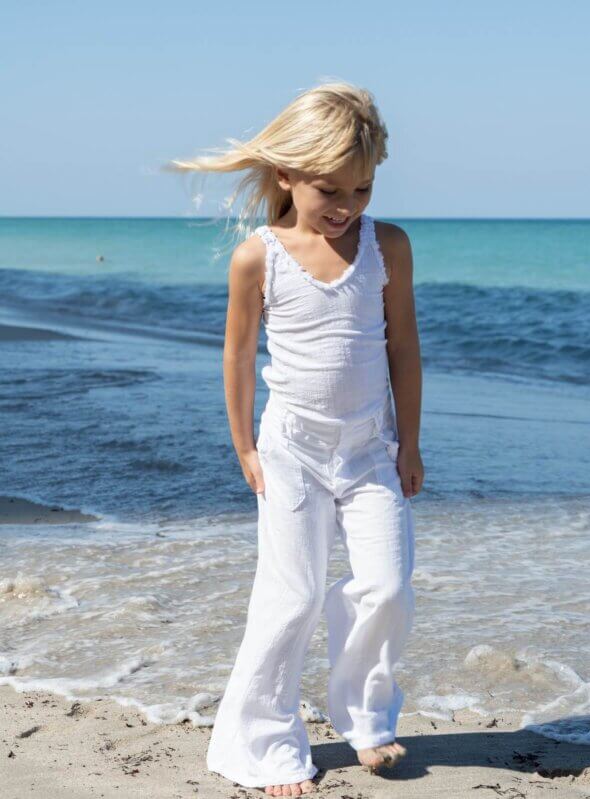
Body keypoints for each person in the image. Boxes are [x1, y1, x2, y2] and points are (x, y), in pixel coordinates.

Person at [171, 80, 424, 797]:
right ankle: (265, 744)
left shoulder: (389, 247)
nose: (347, 206)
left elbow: (403, 347)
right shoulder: (260, 257)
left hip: (370, 449)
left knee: (388, 583)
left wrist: (409, 442)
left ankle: (368, 717)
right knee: (293, 596)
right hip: (292, 451)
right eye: (330, 190)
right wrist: (244, 445)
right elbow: (238, 353)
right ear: (285, 174)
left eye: (363, 189)